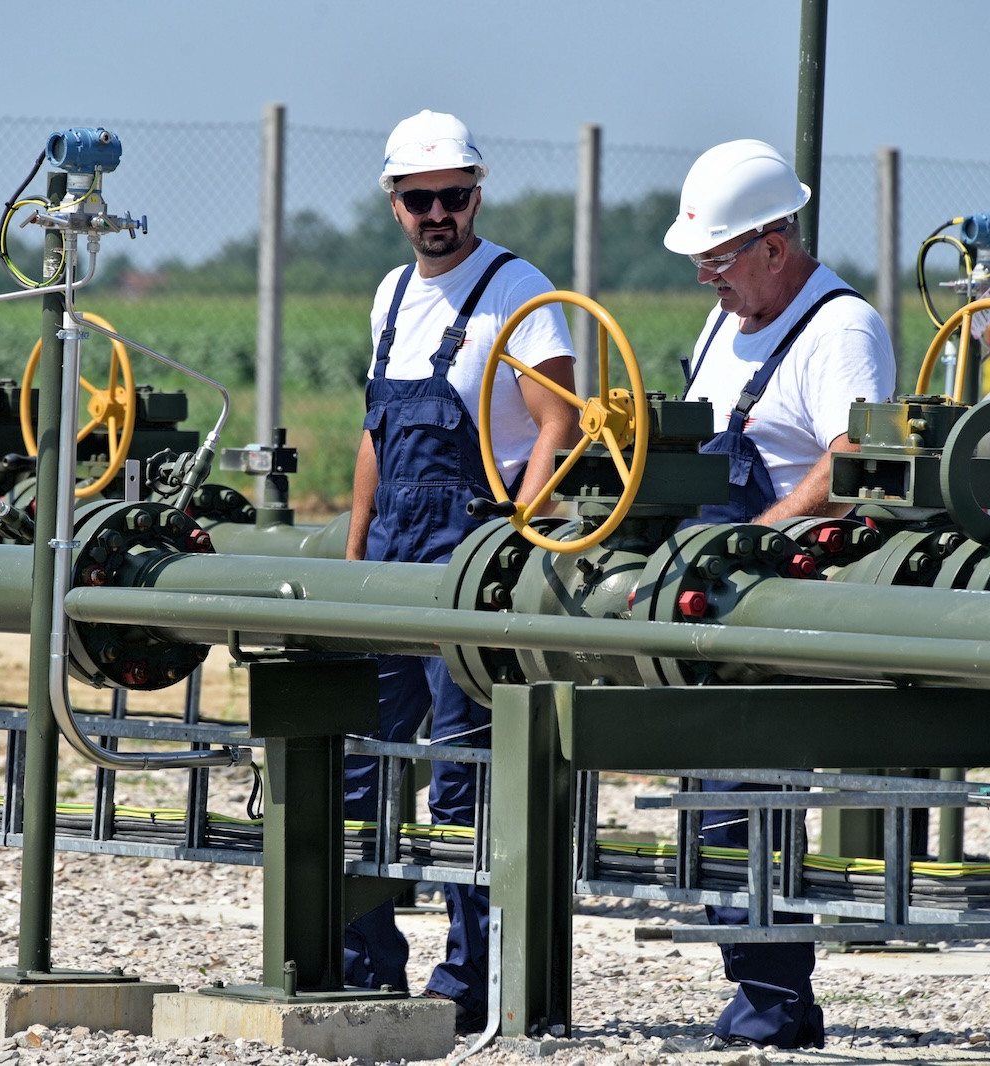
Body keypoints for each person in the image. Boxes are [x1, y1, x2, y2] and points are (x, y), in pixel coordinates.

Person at [343, 109, 581, 1033]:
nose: (437, 212)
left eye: (454, 195)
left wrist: (516, 533)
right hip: (391, 559)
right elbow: (375, 436)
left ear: (477, 194)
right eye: (420, 199)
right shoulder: (390, 298)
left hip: (469, 557)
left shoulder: (515, 289)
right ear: (395, 204)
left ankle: (470, 980)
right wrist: (355, 552)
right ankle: (365, 965)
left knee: (463, 776)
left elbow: (558, 420)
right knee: (362, 764)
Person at [663, 138, 896, 1051]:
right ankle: (755, 989)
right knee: (708, 793)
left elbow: (851, 461)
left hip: (774, 597)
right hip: (706, 592)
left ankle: (774, 1001)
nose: (705, 281)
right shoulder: (725, 322)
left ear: (774, 241)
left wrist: (757, 539)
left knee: (748, 794)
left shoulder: (839, 327)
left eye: (716, 260)